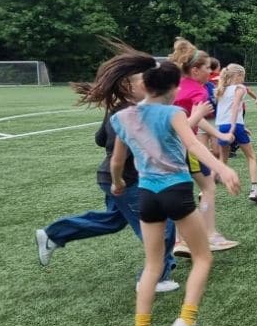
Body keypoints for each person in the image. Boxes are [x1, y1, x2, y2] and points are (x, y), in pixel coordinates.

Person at [99, 48, 241, 326]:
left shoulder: (122, 117)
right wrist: (222, 168)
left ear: (144, 85)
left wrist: (118, 183)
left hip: (146, 195)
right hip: (176, 190)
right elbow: (193, 145)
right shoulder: (173, 113)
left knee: (152, 265)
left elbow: (117, 162)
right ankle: (186, 323)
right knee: (202, 258)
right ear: (174, 88)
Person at [34, 61, 180, 294]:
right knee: (162, 225)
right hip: (125, 179)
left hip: (114, 177)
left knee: (113, 221)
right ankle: (155, 278)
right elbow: (118, 148)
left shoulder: (121, 110)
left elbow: (100, 139)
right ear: (128, 87)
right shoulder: (130, 114)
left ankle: (53, 234)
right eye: (144, 81)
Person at [170, 38, 238, 252]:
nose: (211, 71)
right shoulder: (198, 91)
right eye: (208, 68)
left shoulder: (173, 85)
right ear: (195, 70)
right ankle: (209, 235)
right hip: (184, 146)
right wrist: (221, 135)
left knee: (173, 191)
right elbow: (195, 120)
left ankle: (178, 240)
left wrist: (218, 134)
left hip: (165, 146)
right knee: (208, 187)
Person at [214, 63, 257, 203]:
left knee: (222, 161)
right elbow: (236, 106)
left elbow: (223, 110)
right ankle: (254, 190)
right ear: (239, 75)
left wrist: (239, 126)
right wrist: (234, 127)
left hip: (222, 127)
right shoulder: (240, 88)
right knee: (251, 157)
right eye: (243, 76)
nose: (244, 79)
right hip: (234, 125)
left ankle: (205, 190)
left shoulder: (221, 89)